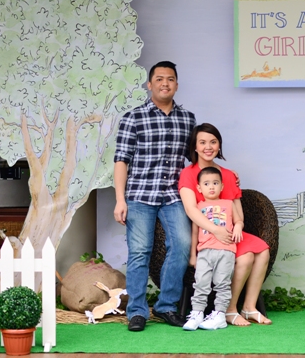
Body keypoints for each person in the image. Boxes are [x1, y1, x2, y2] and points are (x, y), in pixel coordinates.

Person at [114, 61, 196, 332]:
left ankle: (166, 306)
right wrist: (120, 199)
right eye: (159, 79)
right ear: (149, 84)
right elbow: (121, 160)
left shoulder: (188, 119)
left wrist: (222, 174)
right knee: (140, 252)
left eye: (170, 79)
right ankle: (137, 312)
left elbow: (195, 159)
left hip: (174, 195)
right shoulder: (133, 118)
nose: (165, 83)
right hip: (140, 194)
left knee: (182, 245)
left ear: (176, 85)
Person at [179, 123, 273, 326]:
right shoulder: (188, 173)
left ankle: (249, 307)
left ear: (219, 145)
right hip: (206, 234)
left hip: (229, 232)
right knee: (246, 257)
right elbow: (191, 210)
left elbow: (236, 210)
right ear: (195, 147)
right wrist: (216, 230)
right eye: (202, 142)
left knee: (263, 250)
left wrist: (237, 226)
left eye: (213, 142)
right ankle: (230, 310)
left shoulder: (228, 175)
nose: (208, 147)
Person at [183, 166, 243, 331]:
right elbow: (195, 232)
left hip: (225, 251)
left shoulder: (228, 203)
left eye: (215, 183)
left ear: (222, 186)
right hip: (204, 251)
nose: (211, 187)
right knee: (201, 283)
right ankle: (197, 313)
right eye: (207, 183)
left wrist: (238, 227)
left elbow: (238, 220)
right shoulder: (198, 207)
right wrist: (193, 255)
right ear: (199, 188)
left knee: (222, 283)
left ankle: (220, 315)